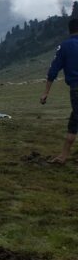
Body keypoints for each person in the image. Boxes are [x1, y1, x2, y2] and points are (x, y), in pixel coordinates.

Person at [40, 18, 78, 164]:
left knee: (75, 121)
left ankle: (63, 156)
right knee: (74, 120)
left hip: (76, 89)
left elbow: (53, 71)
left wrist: (45, 93)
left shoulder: (65, 46)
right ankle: (63, 156)